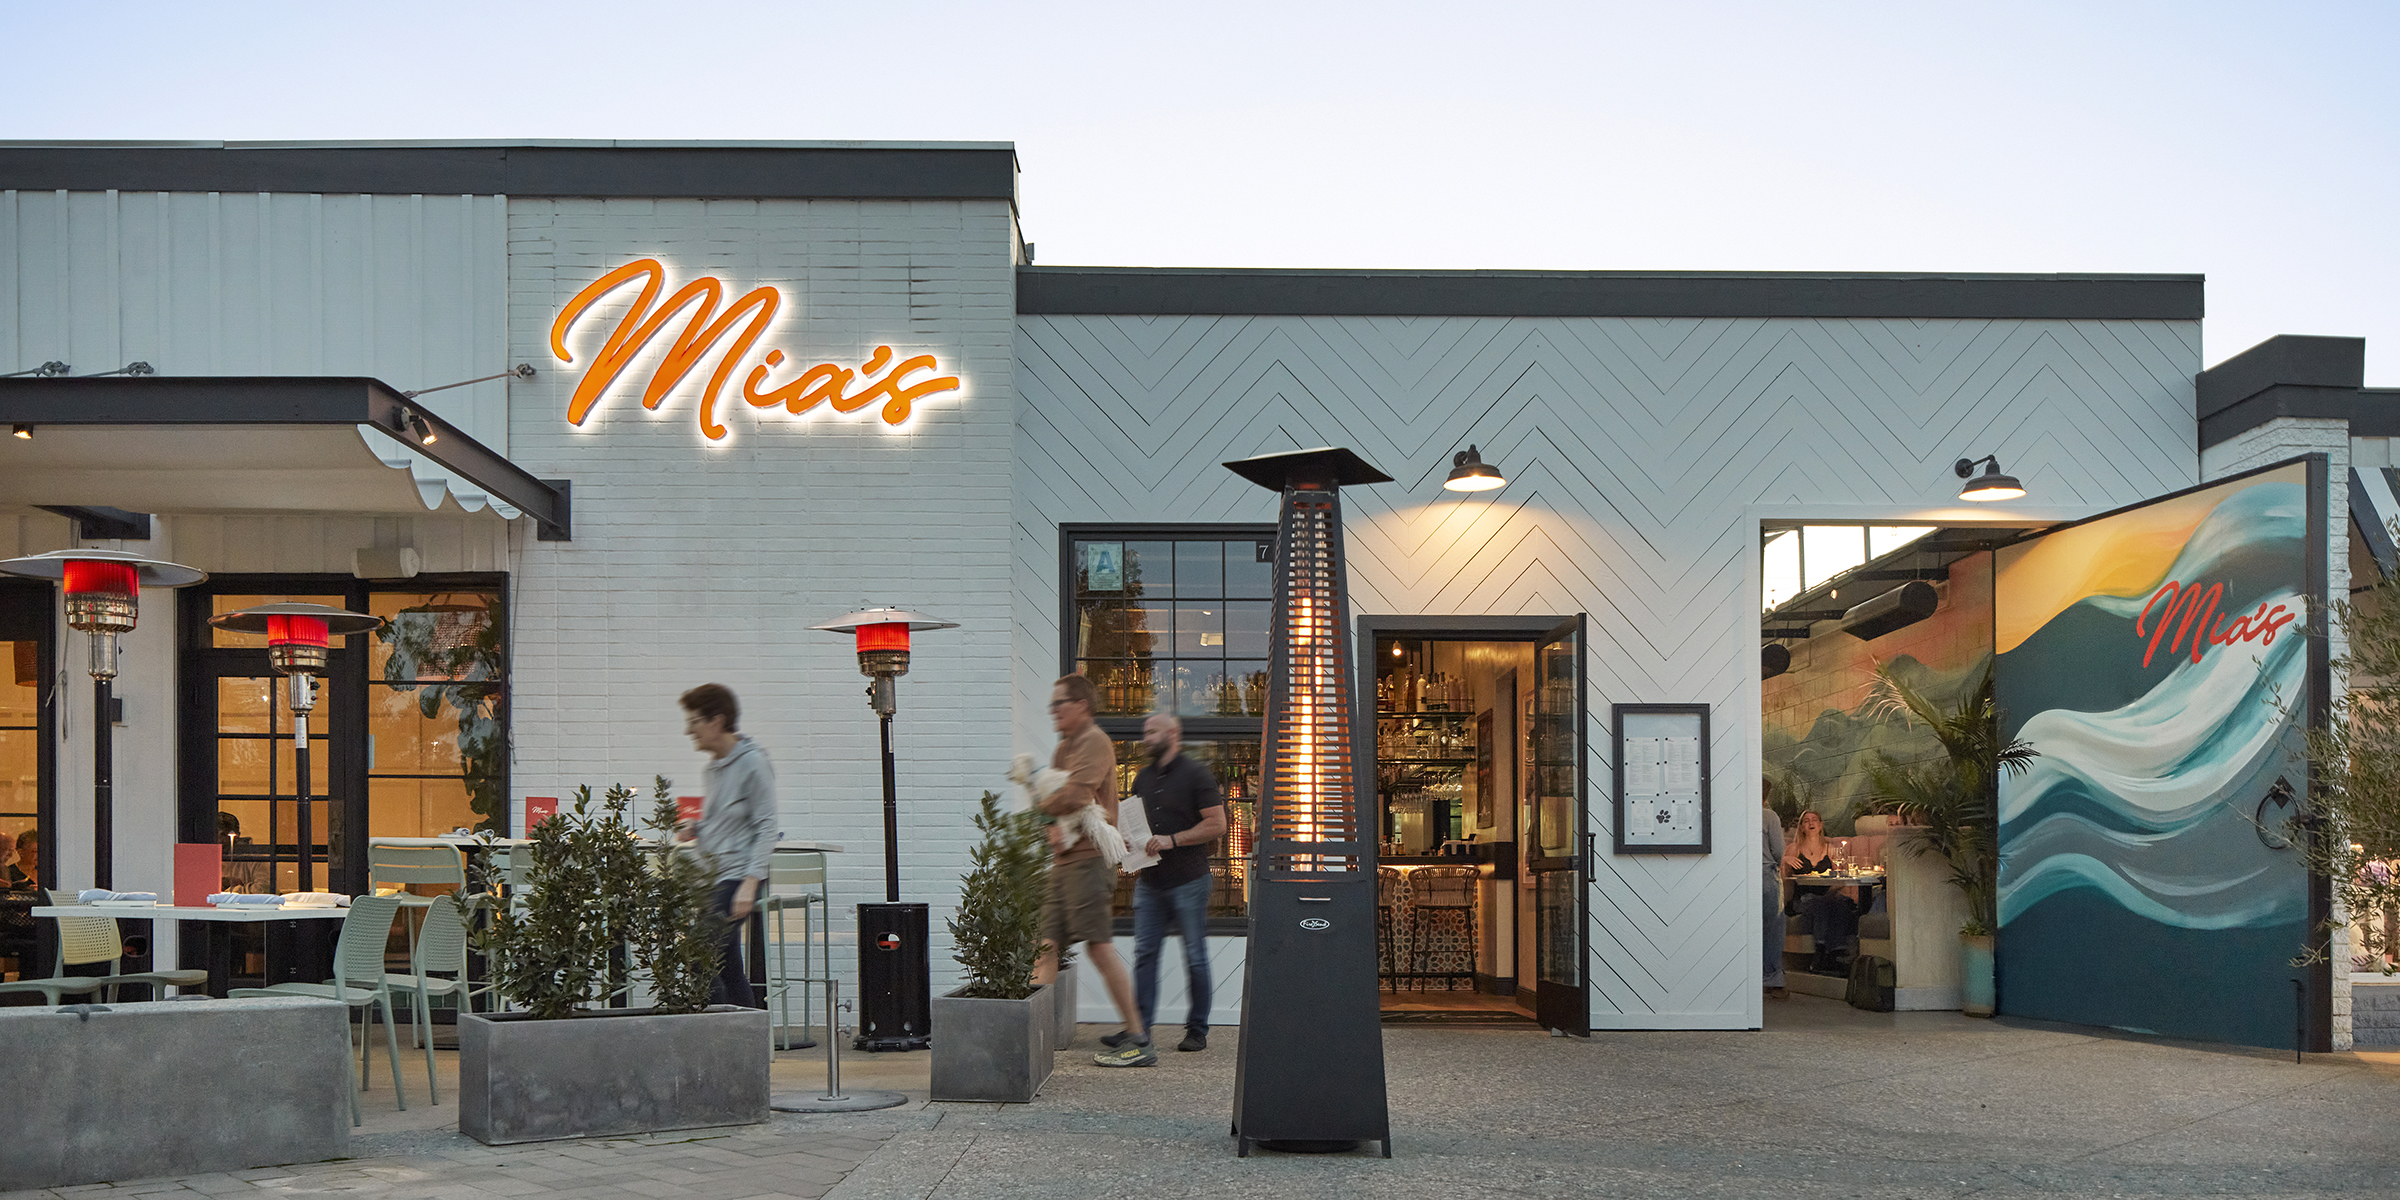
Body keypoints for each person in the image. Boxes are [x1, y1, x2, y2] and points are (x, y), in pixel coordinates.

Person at [1031, 674, 1148, 1063]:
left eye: (1059, 703)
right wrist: (1052, 822)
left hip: (1089, 862)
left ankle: (1138, 1037)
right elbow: (1058, 800)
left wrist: (1044, 799)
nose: (1053, 711)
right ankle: (1034, 1036)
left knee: (1098, 948)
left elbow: (1074, 794)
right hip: (1064, 862)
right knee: (1045, 944)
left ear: (1080, 705)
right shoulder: (1064, 748)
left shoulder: (1095, 742)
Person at [1106, 712, 1226, 1060]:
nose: (1145, 738)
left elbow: (1217, 824)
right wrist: (1127, 844)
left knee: (1194, 957)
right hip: (1151, 881)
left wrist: (1172, 840)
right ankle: (1139, 1030)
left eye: (1151, 732)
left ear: (1172, 734)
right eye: (1144, 732)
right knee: (1145, 955)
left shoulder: (1197, 775)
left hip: (1189, 879)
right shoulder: (1142, 778)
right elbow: (1137, 828)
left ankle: (1197, 1030)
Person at [679, 683, 778, 1009]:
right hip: (715, 877)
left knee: (700, 954)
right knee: (726, 964)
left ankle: (719, 1039)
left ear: (716, 721)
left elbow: (767, 825)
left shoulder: (753, 763)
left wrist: (751, 884)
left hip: (738, 878)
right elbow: (729, 821)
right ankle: (751, 1044)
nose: (688, 730)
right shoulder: (713, 769)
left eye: (694, 721)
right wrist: (698, 827)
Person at [1782, 808, 1863, 974]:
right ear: (1802, 827)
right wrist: (1784, 860)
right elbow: (1785, 877)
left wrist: (1831, 891)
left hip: (1829, 895)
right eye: (1806, 821)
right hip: (1803, 898)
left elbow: (1840, 877)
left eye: (1814, 820)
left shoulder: (1830, 849)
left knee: (1839, 904)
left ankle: (1833, 954)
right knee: (1820, 903)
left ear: (1820, 825)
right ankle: (1824, 952)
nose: (1811, 823)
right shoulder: (1794, 849)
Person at [1763, 781, 1787, 1001]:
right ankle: (1772, 978)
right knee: (1774, 925)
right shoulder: (1769, 816)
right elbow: (1779, 851)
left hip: (1739, 873)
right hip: (1765, 876)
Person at [218, 813, 272, 893]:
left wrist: (233, 891)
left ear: (237, 836)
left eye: (224, 835)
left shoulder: (253, 859)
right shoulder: (204, 858)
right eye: (215, 834)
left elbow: (265, 888)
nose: (219, 839)